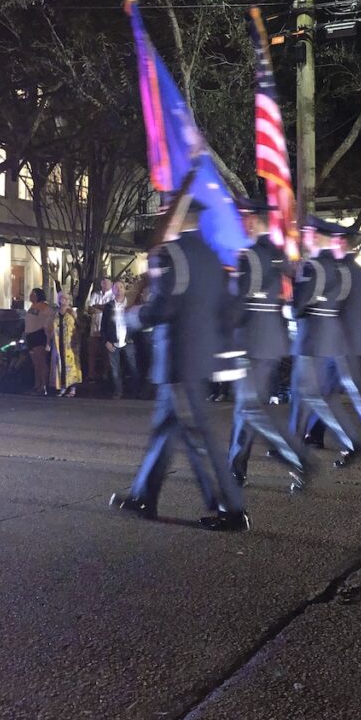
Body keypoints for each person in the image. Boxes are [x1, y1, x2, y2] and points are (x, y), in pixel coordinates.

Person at [109, 195, 250, 532]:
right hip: (198, 356)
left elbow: (163, 308)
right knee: (164, 431)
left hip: (178, 359)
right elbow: (229, 308)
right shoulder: (213, 256)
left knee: (198, 436)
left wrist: (132, 318)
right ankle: (143, 495)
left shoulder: (172, 255)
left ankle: (230, 508)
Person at [227, 196, 309, 490]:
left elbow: (237, 306)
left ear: (251, 219)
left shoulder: (247, 257)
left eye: (242, 217)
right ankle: (235, 470)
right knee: (247, 409)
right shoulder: (278, 254)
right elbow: (294, 295)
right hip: (272, 344)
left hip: (250, 344)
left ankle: (299, 460)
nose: (240, 222)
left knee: (250, 410)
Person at [304, 225, 361, 453]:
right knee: (326, 391)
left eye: (333, 241)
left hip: (341, 339)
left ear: (342, 243)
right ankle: (314, 434)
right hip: (344, 338)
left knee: (353, 388)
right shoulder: (354, 269)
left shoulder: (343, 270)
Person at [289, 216, 361, 467]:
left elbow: (299, 308)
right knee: (311, 395)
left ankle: (351, 443)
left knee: (309, 395)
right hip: (330, 339)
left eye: (308, 232)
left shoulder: (311, 267)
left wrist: (289, 304)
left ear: (314, 236)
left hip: (311, 339)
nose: (305, 236)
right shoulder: (340, 268)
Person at [101, 281, 141, 399]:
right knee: (115, 369)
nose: (118, 289)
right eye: (116, 287)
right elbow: (103, 326)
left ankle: (136, 391)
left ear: (124, 289)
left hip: (128, 341)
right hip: (113, 341)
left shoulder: (130, 304)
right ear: (112, 290)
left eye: (121, 287)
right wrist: (106, 341)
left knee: (133, 367)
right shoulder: (109, 306)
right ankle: (118, 391)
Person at [49, 292, 82, 397]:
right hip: (58, 342)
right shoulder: (55, 313)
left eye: (65, 298)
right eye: (61, 298)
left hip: (70, 343)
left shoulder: (72, 312)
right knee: (60, 364)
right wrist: (48, 342)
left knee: (71, 365)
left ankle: (72, 388)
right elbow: (50, 328)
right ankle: (62, 387)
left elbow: (79, 326)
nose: (63, 300)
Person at [24, 288, 52, 395]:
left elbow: (50, 317)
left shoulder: (44, 306)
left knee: (41, 362)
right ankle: (37, 384)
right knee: (35, 363)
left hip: (39, 335)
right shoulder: (32, 307)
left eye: (33, 294)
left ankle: (43, 385)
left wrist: (47, 330)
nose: (31, 296)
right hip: (30, 335)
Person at [86, 276, 113, 383]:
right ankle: (92, 375)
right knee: (92, 353)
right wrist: (104, 308)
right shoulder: (95, 294)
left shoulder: (113, 295)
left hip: (107, 330)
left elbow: (110, 310)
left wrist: (98, 307)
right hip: (95, 329)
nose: (104, 285)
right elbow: (89, 309)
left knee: (106, 354)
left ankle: (105, 375)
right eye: (103, 283)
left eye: (107, 283)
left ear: (111, 284)